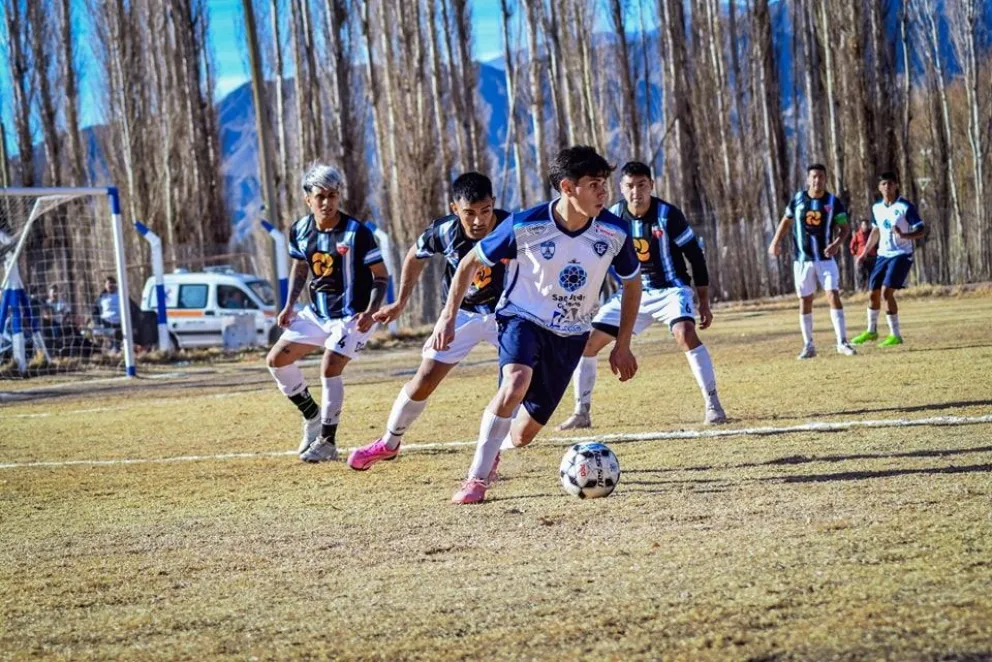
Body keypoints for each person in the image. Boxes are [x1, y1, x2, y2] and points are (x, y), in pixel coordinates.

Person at [432, 145, 642, 505]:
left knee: (524, 434)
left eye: (604, 184)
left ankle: (496, 447)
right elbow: (468, 263)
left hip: (572, 334)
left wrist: (622, 344)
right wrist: (447, 317)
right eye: (594, 185)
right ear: (567, 187)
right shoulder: (525, 225)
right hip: (521, 318)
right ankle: (476, 479)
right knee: (516, 382)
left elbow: (632, 283)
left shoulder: (615, 231)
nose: (603, 193)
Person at [346, 173, 510, 470]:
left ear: (494, 205)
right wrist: (400, 302)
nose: (478, 221)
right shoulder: (444, 231)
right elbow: (414, 256)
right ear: (454, 208)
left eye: (485, 211)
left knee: (515, 381)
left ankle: (493, 453)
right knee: (425, 377)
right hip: (460, 313)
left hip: (507, 313)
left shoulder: (511, 227)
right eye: (469, 213)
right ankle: (389, 442)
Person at [559, 161, 725, 430]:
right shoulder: (611, 217)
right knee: (587, 344)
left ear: (652, 185)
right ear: (621, 189)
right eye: (630, 186)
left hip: (670, 290)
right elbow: (596, 260)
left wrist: (703, 302)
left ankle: (713, 404)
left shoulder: (668, 215)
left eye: (642, 185)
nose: (636, 191)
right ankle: (582, 412)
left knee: (685, 333)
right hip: (632, 293)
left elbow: (695, 255)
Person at [265, 163, 389, 462]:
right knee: (276, 360)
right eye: (320, 196)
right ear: (308, 199)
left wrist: (371, 311)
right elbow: (301, 266)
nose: (327, 202)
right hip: (317, 314)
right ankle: (312, 416)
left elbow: (381, 276)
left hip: (352, 316)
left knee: (329, 366)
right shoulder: (300, 230)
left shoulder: (357, 233)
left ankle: (327, 442)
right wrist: (289, 304)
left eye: (333, 195)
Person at [768, 164, 856, 359]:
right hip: (802, 260)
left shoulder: (833, 202)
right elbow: (786, 221)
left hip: (825, 259)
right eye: (814, 177)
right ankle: (809, 346)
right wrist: (775, 242)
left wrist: (836, 244)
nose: (818, 181)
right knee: (805, 300)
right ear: (808, 179)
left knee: (832, 294)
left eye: (821, 177)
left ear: (826, 179)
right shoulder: (798, 200)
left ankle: (842, 342)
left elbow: (845, 228)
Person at [851, 171, 925, 347]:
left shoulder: (905, 207)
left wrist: (904, 235)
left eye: (891, 183)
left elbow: (921, 230)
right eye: (884, 184)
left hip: (901, 255)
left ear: (896, 185)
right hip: (882, 255)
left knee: (886, 292)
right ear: (879, 188)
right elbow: (875, 231)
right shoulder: (877, 208)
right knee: (872, 293)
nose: (887, 187)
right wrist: (864, 253)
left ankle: (895, 335)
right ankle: (871, 331)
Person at [95, 276, 122, 350]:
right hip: (105, 323)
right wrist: (98, 322)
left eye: (112, 284)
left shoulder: (121, 295)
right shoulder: (101, 297)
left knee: (117, 342)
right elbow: (95, 311)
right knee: (95, 331)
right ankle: (100, 349)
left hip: (119, 323)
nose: (110, 286)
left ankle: (116, 348)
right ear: (105, 285)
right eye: (108, 284)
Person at [849, 219, 876, 291]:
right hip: (861, 257)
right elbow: (852, 245)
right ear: (861, 226)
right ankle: (861, 289)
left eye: (866, 225)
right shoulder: (857, 234)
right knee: (861, 274)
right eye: (864, 225)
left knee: (871, 273)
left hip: (871, 256)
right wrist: (854, 253)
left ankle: (871, 288)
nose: (865, 226)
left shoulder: (872, 234)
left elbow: (876, 243)